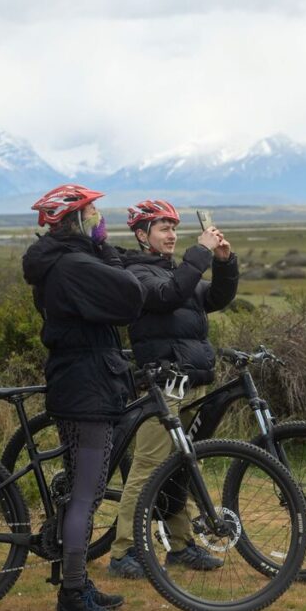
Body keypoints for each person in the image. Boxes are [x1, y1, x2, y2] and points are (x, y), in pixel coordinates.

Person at [22, 183, 146, 611]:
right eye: (92, 213)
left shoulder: (64, 261)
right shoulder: (74, 264)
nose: (98, 219)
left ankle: (77, 581)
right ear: (75, 219)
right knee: (86, 494)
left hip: (84, 383)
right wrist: (107, 249)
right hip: (87, 389)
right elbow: (130, 296)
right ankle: (72, 597)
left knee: (84, 490)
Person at [108, 199, 239, 578]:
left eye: (174, 228)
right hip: (163, 386)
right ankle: (123, 552)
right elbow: (168, 296)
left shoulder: (172, 271)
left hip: (190, 382)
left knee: (181, 466)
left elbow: (214, 297)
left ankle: (179, 546)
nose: (172, 235)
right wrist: (199, 252)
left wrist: (225, 262)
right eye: (164, 228)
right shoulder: (137, 274)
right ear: (141, 234)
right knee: (148, 468)